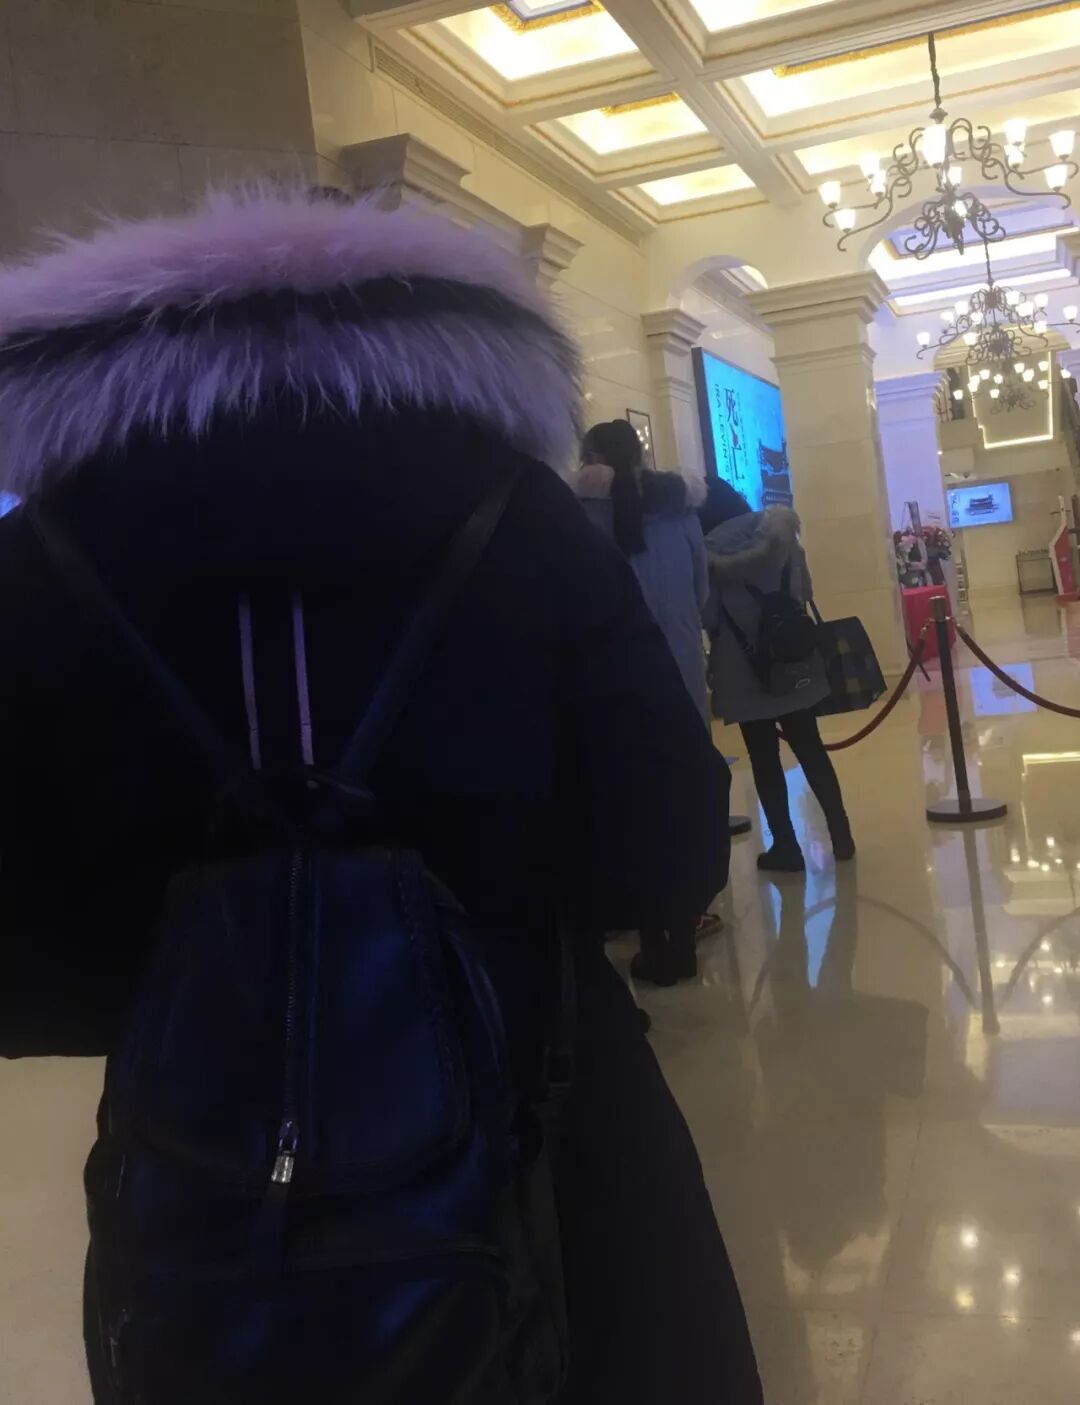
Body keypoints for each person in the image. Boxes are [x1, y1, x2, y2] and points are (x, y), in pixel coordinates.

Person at [0, 189, 761, 1405]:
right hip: (547, 1117)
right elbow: (665, 848)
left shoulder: (40, 554)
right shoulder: (520, 514)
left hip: (206, 1180)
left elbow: (24, 962)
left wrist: (217, 963)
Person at [576, 420, 719, 984]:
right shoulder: (681, 512)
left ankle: (637, 921)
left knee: (627, 804)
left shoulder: (580, 516)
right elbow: (702, 592)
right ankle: (685, 919)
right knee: (684, 799)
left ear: (590, 459)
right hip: (680, 673)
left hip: (612, 682)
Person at [704, 480, 854, 873]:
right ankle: (841, 835)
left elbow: (708, 616)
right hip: (794, 661)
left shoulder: (709, 557)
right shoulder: (784, 537)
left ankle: (786, 846)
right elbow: (805, 591)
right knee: (810, 747)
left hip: (743, 671)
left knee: (764, 758)